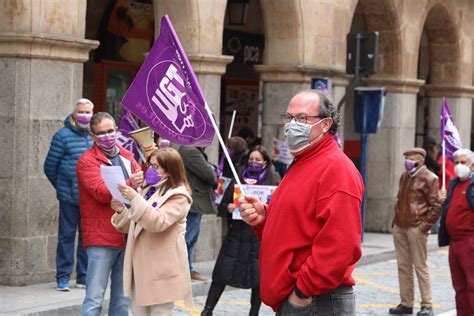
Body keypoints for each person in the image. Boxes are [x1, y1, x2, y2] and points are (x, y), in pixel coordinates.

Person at [238, 90, 364, 315]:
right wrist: (263, 219)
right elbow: (298, 226)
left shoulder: (336, 169)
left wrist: (303, 292)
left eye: (303, 118)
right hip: (300, 299)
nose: (292, 124)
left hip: (316, 300)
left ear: (326, 124)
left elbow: (341, 245)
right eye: (289, 117)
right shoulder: (302, 161)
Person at [111, 147, 193, 315]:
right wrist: (121, 211)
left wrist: (134, 198)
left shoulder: (179, 196)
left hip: (162, 268)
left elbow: (158, 222)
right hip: (141, 266)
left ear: (169, 171)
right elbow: (133, 225)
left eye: (156, 167)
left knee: (160, 312)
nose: (150, 170)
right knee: (137, 312)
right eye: (150, 165)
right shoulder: (149, 190)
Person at [77, 112, 143, 316]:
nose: (107, 136)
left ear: (117, 130)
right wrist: (132, 182)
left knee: (123, 301)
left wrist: (144, 178)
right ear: (94, 137)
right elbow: (101, 192)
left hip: (127, 235)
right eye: (101, 133)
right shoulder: (87, 161)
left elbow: (139, 189)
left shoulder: (127, 156)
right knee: (94, 300)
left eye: (110, 131)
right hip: (101, 237)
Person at [202, 145, 281, 316]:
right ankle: (207, 310)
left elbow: (279, 210)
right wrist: (228, 209)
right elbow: (221, 206)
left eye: (258, 160)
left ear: (265, 162)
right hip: (235, 235)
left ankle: (254, 313)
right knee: (221, 274)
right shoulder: (238, 178)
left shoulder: (274, 179)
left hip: (257, 238)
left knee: (257, 278)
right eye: (251, 159)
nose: (253, 162)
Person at [44, 98, 94, 291]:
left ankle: (83, 277)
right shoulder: (62, 136)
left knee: (86, 238)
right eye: (80, 111)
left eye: (87, 112)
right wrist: (62, 187)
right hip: (69, 198)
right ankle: (63, 277)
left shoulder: (94, 135)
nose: (84, 115)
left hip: (90, 198)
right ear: (74, 113)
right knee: (66, 237)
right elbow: (49, 166)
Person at [389, 148, 441, 316]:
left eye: (410, 159)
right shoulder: (405, 176)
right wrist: (395, 222)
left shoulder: (430, 178)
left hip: (416, 228)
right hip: (400, 226)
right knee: (403, 267)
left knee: (420, 266)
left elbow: (436, 205)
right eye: (406, 159)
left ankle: (427, 305)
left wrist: (424, 226)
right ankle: (406, 303)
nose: (407, 162)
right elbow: (399, 199)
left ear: (420, 160)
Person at [438, 148, 474, 316]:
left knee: (472, 285)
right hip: (455, 243)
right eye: (457, 162)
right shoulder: (453, 184)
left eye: (463, 162)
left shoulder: (472, 186)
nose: (459, 166)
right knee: (459, 286)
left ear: (472, 166)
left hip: (469, 241)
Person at [177, 145, 217, 281]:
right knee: (188, 238)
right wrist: (212, 168)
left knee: (189, 238)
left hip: (193, 200)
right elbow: (209, 175)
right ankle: (184, 270)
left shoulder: (190, 150)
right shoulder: (191, 151)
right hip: (194, 201)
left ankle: (187, 269)